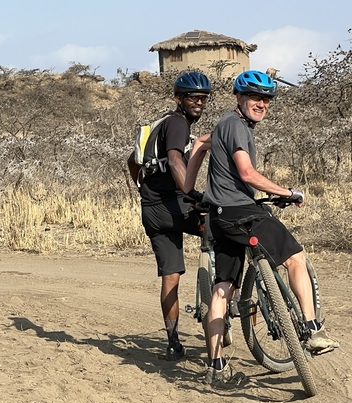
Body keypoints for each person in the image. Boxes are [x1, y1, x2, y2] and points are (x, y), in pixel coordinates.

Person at [184, 70, 339, 386]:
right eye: (255, 97)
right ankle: (311, 329)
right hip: (243, 212)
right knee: (295, 257)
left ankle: (216, 366)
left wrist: (190, 190)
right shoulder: (238, 127)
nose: (262, 103)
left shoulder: (224, 125)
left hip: (219, 216)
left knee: (222, 288)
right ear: (239, 98)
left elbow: (200, 144)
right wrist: (287, 192)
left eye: (266, 98)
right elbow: (247, 173)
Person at [127, 72, 211, 361]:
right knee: (224, 228)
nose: (199, 103)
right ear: (179, 99)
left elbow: (131, 161)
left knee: (170, 276)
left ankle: (173, 342)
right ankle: (227, 295)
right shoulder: (177, 124)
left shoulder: (159, 124)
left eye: (203, 98)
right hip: (176, 207)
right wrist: (193, 193)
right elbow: (175, 159)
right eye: (193, 97)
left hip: (151, 211)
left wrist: (144, 188)